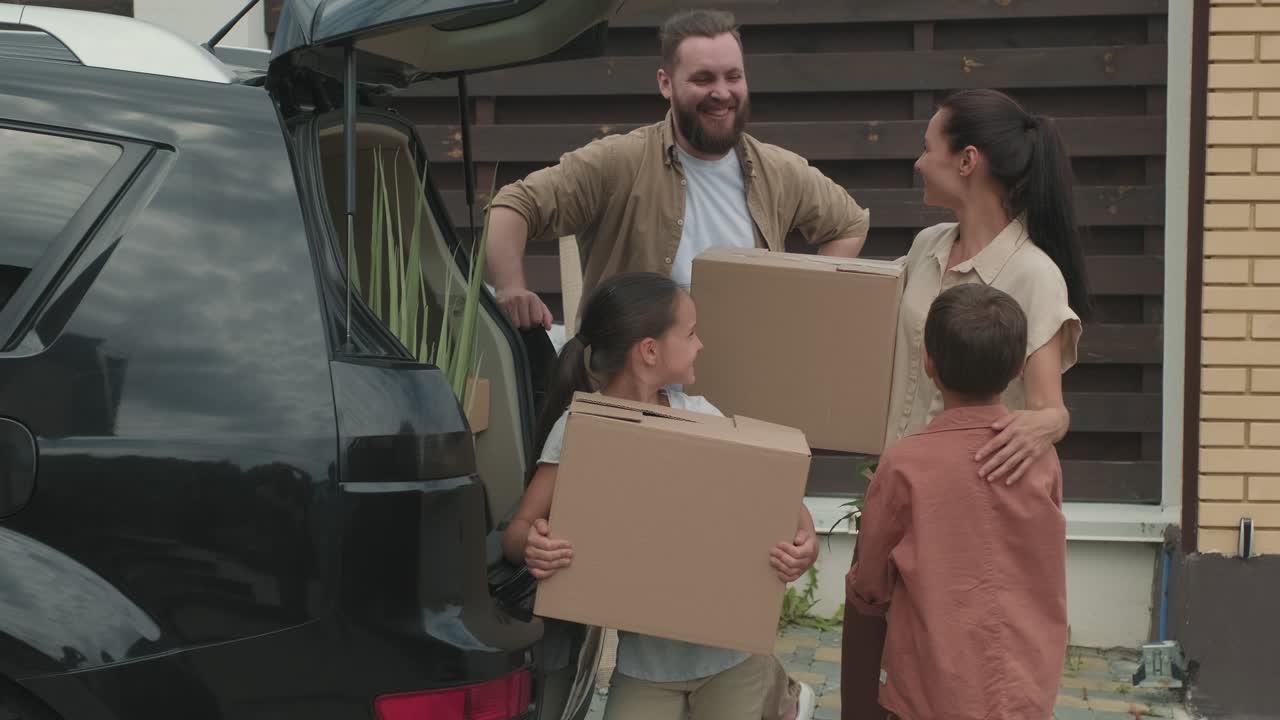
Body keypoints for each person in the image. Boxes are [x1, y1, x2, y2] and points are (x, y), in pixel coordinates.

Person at [841, 87, 1089, 719]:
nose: (919, 162)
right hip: (900, 484)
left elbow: (1046, 406)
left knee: (957, 669)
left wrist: (1052, 422)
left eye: (928, 149)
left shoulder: (1035, 275)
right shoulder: (927, 247)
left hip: (966, 507)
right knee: (905, 656)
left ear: (967, 160)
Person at [502, 272, 819, 720]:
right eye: (690, 334)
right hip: (645, 668)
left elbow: (781, 499)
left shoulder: (701, 418)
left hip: (733, 660)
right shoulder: (579, 430)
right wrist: (531, 545)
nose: (700, 345)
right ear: (649, 350)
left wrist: (806, 541)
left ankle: (779, 693)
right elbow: (518, 528)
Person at [485, 8, 870, 330]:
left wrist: (807, 301)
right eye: (703, 79)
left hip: (741, 391)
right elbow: (513, 205)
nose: (722, 92)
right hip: (632, 394)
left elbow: (848, 223)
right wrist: (510, 289)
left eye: (733, 76)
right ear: (666, 84)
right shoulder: (619, 162)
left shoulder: (777, 170)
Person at [846, 283, 1069, 720]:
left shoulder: (905, 463)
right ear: (1018, 369)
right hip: (1024, 685)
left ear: (929, 363)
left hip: (931, 688)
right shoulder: (1039, 456)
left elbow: (870, 583)